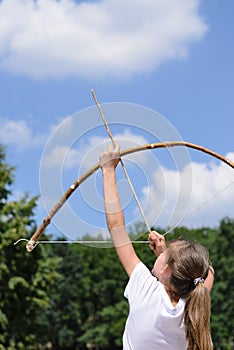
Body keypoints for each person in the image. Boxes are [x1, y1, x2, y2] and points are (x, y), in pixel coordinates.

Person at [100, 144, 214, 350]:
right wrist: (166, 256)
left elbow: (116, 227)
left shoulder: (147, 289)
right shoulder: (194, 304)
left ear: (166, 269)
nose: (161, 249)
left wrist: (108, 171)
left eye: (166, 251)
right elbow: (207, 272)